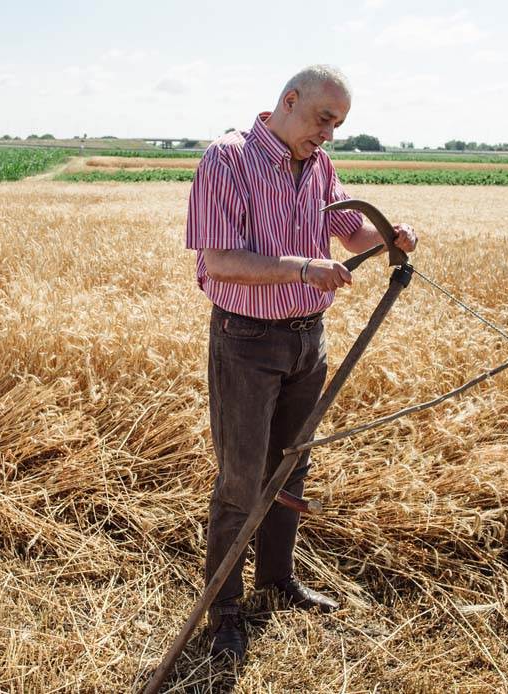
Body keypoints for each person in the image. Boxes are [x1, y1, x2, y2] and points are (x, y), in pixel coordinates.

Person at [185, 65, 418, 660]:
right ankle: (227, 609)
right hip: (246, 339)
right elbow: (220, 260)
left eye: (338, 124)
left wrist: (389, 237)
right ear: (289, 101)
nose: (330, 135)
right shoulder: (227, 159)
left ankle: (277, 580)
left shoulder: (318, 165)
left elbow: (348, 230)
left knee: (291, 468)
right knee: (241, 480)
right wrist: (301, 268)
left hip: (307, 339)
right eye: (323, 119)